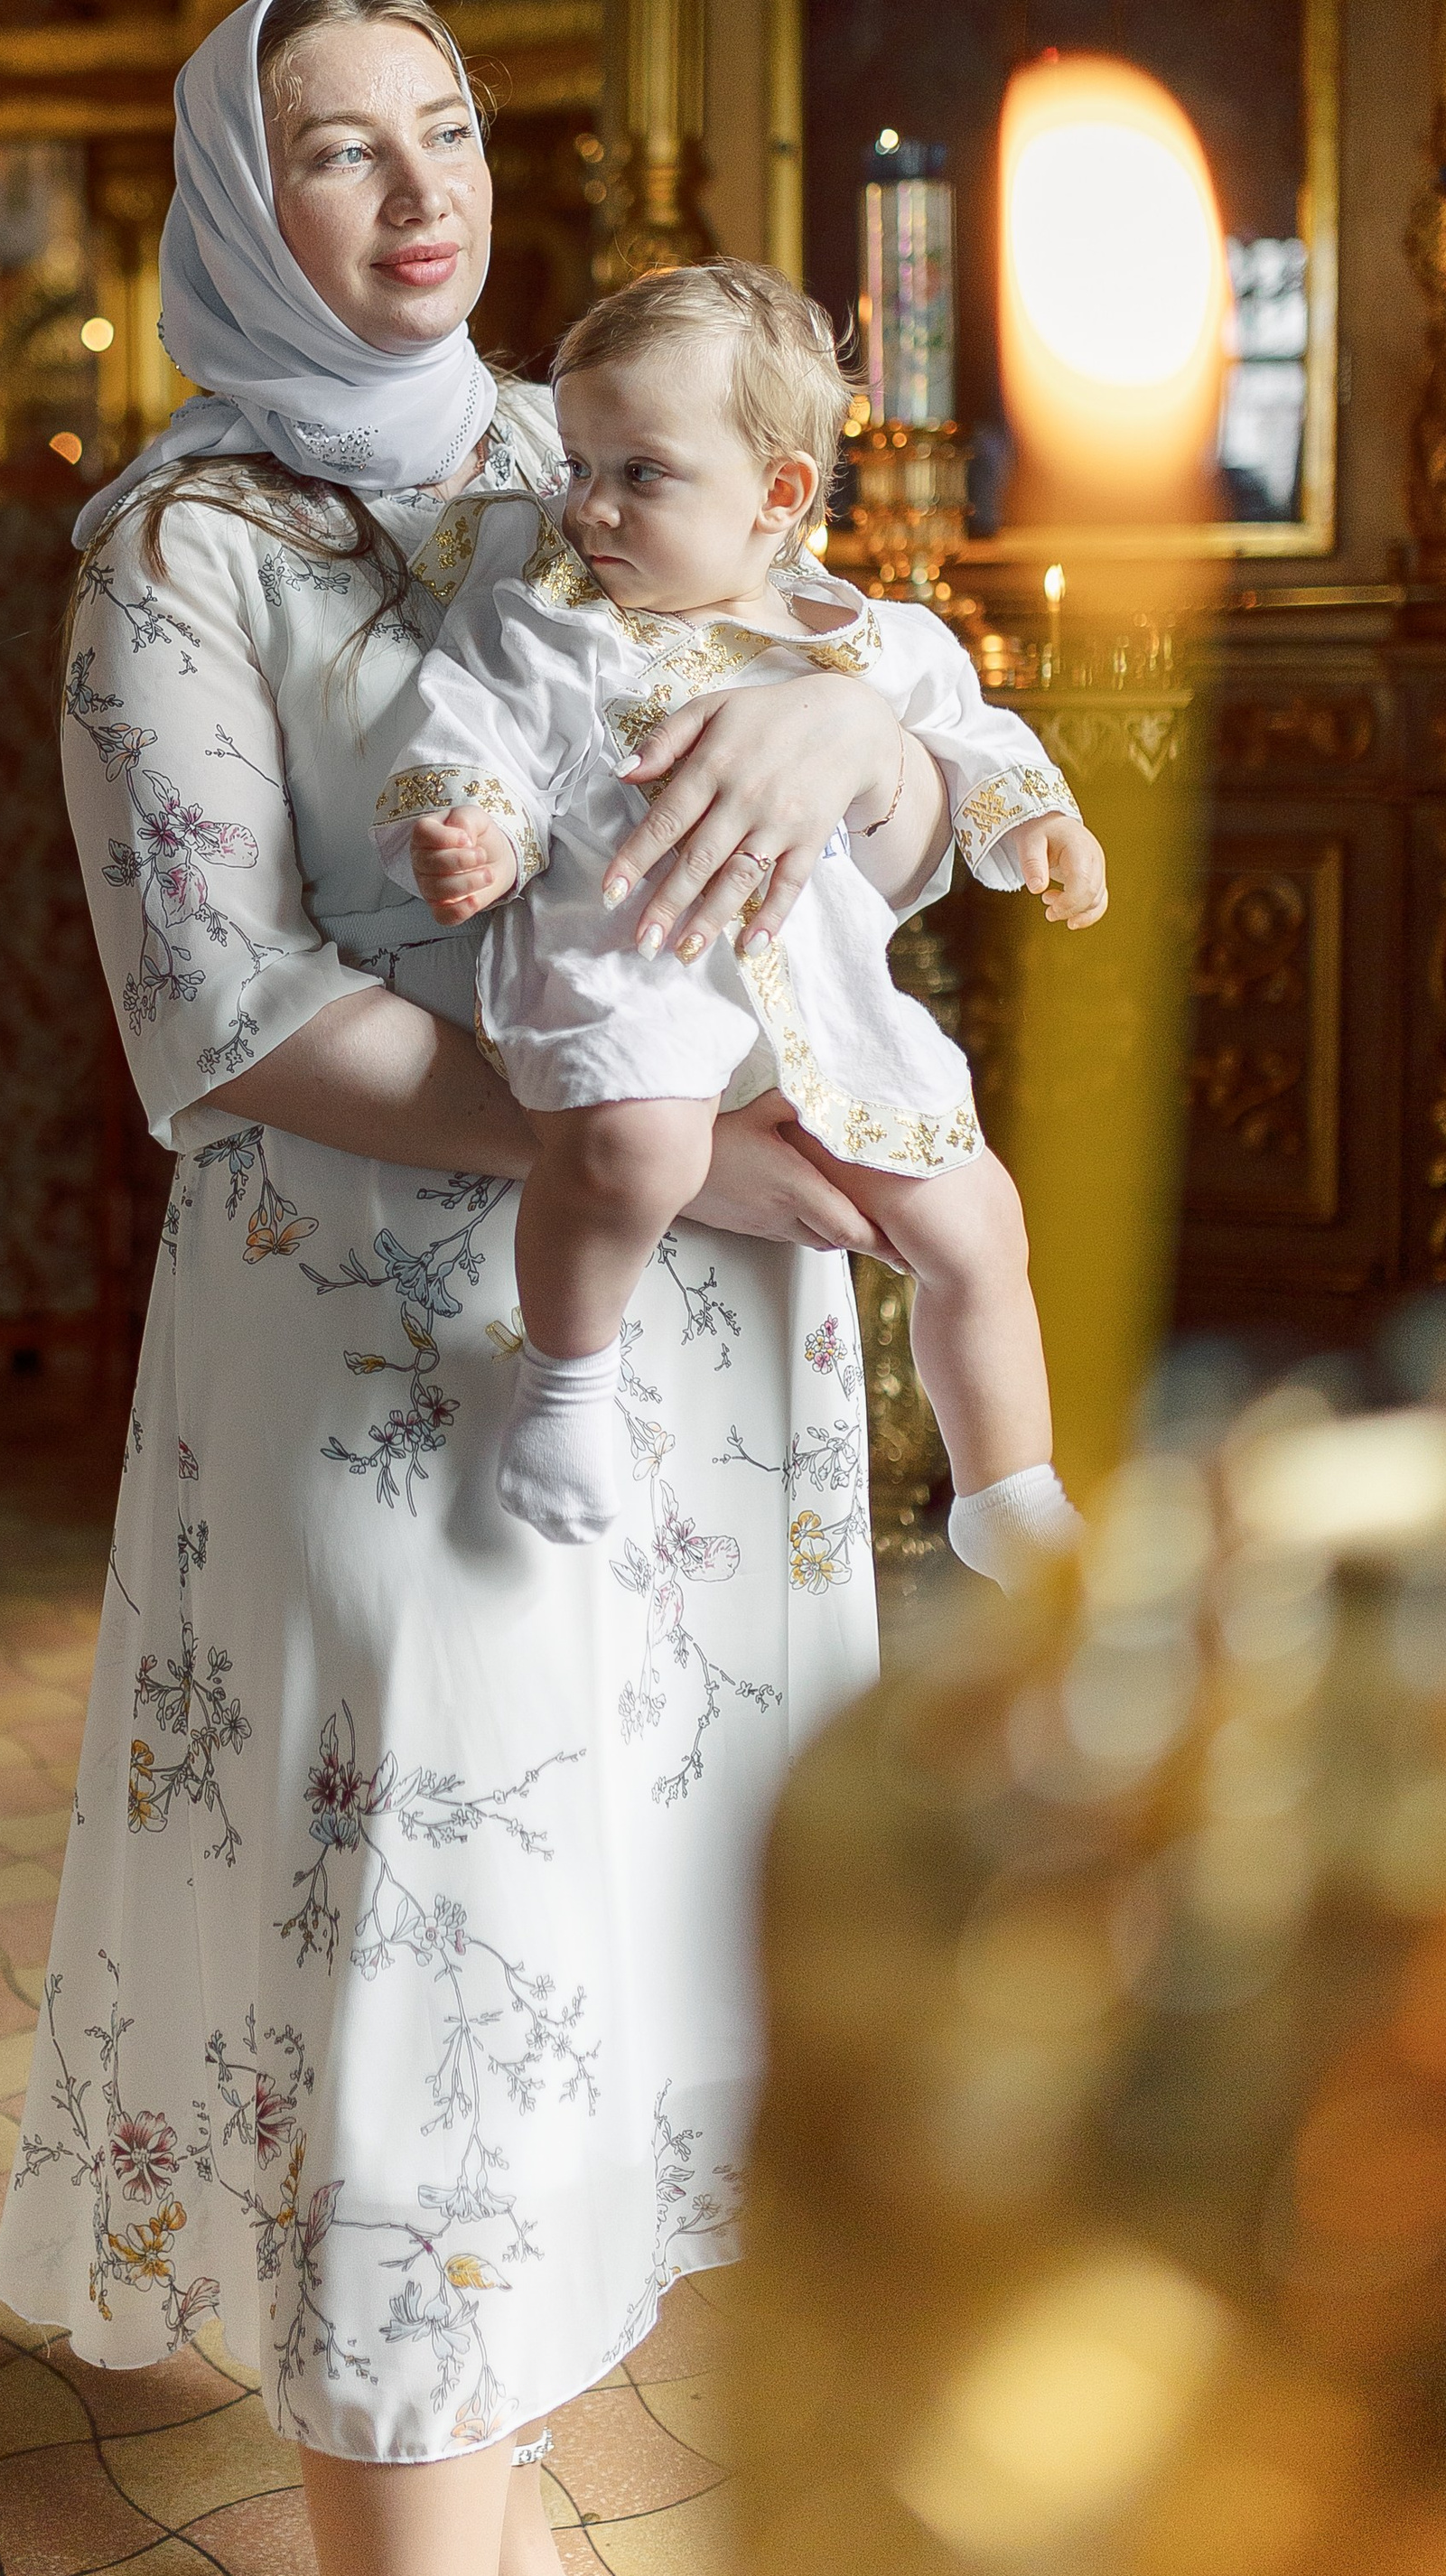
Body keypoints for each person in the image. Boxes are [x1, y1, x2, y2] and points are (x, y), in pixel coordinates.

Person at [0, 0, 974, 2576]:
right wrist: (677, 1152)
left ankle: (489, 2518)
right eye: (340, 150)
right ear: (241, 199)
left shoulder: (592, 436)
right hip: (366, 1347)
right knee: (411, 1962)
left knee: (586, 1941)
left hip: (671, 1356)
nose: (421, 197)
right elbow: (226, 1005)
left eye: (445, 130)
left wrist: (848, 748)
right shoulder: (179, 555)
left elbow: (883, 752)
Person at [375, 262, 1100, 1592]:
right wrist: (472, 827)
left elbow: (973, 741)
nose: (589, 503)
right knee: (632, 1156)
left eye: (640, 474)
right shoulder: (553, 631)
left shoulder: (870, 642)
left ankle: (1007, 1485)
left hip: (816, 1008)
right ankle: (568, 1388)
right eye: (579, 464)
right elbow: (473, 741)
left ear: (778, 496)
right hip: (631, 966)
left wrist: (1037, 823)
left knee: (979, 1222)